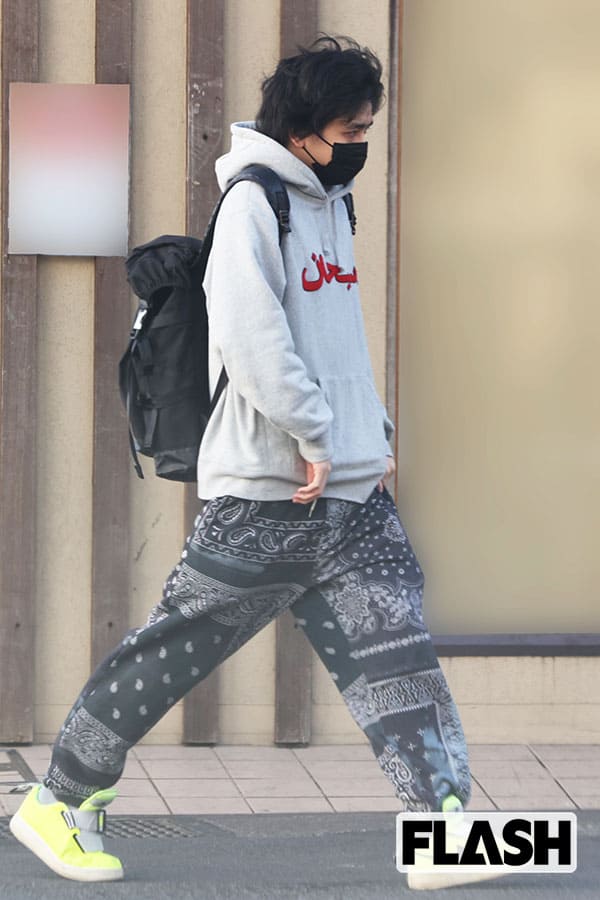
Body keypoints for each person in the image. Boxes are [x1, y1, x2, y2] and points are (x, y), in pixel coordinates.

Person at [10, 36, 480, 889]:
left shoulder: (332, 203)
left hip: (349, 491)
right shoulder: (254, 206)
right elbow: (252, 340)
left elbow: (337, 341)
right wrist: (317, 436)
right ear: (303, 130)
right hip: (270, 492)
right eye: (350, 129)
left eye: (367, 127)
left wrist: (369, 435)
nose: (361, 144)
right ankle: (57, 802)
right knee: (172, 652)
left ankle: (445, 828)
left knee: (398, 649)